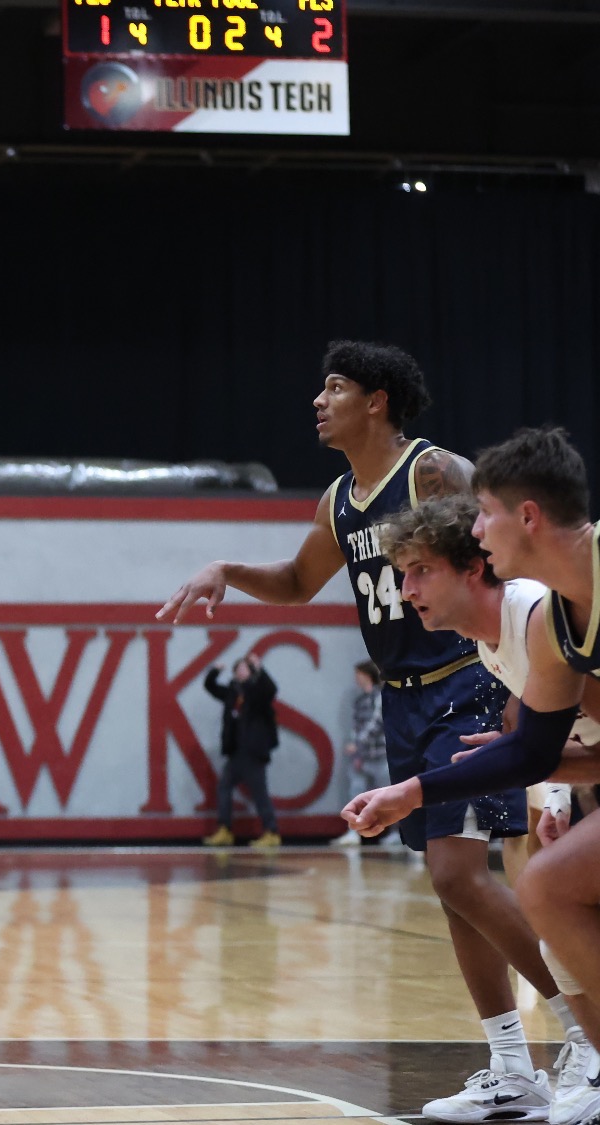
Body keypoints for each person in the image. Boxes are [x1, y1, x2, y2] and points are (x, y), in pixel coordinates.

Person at [159, 341, 537, 1124]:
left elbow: (509, 556)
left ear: (378, 401)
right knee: (452, 891)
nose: (317, 400)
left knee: (459, 876)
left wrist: (521, 675)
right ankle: (511, 1067)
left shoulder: (434, 473)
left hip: (465, 680)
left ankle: (587, 1038)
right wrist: (227, 569)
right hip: (405, 701)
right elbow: (298, 584)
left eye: (334, 386)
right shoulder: (339, 500)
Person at [345, 429, 600, 1122]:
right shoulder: (503, 644)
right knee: (546, 893)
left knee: (540, 887)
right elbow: (545, 747)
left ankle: (584, 1057)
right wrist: (560, 786)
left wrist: (417, 789)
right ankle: (554, 1063)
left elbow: (541, 745)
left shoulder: (538, 613)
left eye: (420, 570)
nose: (404, 590)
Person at [199, 654, 281, 849]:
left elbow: (271, 689)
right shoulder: (232, 692)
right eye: (238, 669)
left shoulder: (257, 690)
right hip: (236, 751)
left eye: (245, 668)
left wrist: (260, 668)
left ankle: (272, 832)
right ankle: (224, 829)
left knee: (259, 792)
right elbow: (209, 686)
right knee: (224, 786)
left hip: (253, 751)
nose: (241, 672)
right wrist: (215, 670)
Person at [332, 662, 388, 846]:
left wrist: (358, 744)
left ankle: (398, 834)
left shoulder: (379, 696)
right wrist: (356, 751)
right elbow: (356, 727)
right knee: (355, 792)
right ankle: (353, 832)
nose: (356, 678)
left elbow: (377, 722)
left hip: (380, 754)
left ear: (367, 675)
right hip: (363, 757)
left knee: (389, 795)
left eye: (358, 674)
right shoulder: (359, 700)